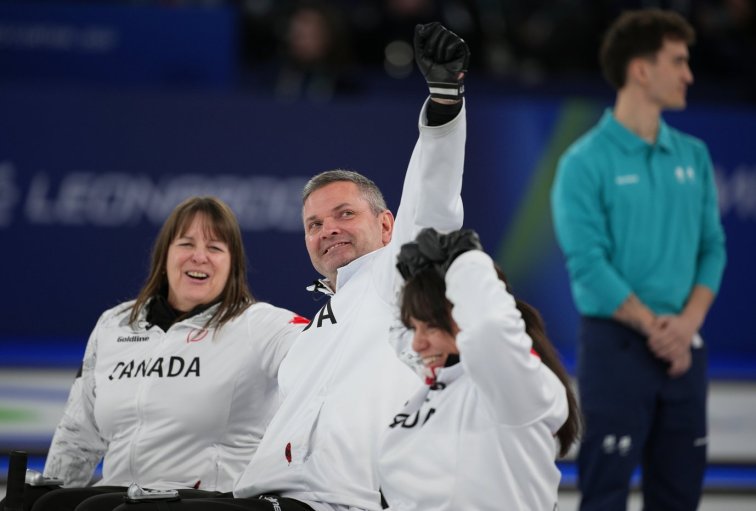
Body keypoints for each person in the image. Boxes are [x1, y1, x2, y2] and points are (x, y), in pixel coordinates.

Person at [108, 21, 469, 511]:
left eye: (345, 214)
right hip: (266, 495)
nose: (328, 230)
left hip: (334, 502)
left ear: (387, 226)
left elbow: (432, 195)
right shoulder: (313, 336)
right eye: (314, 224)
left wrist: (445, 101)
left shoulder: (399, 277)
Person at [7, 196, 307, 511]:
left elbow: (327, 357)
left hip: (211, 500)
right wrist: (46, 491)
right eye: (186, 244)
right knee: (47, 505)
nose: (199, 257)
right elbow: (79, 433)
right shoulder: (115, 324)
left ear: (234, 265)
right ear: (164, 254)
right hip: (120, 494)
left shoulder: (260, 325)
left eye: (215, 248)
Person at [550, 9, 727, 511]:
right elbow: (588, 264)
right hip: (617, 350)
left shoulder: (693, 155)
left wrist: (687, 324)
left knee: (679, 498)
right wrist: (658, 328)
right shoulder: (582, 162)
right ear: (641, 69)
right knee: (604, 496)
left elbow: (713, 247)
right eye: (678, 61)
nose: (689, 74)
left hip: (683, 350)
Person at [378, 227, 580, 511]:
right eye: (414, 327)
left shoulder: (514, 386)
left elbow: (490, 327)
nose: (418, 343)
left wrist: (466, 260)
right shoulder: (437, 385)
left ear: (463, 315)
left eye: (431, 326)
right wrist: (418, 279)